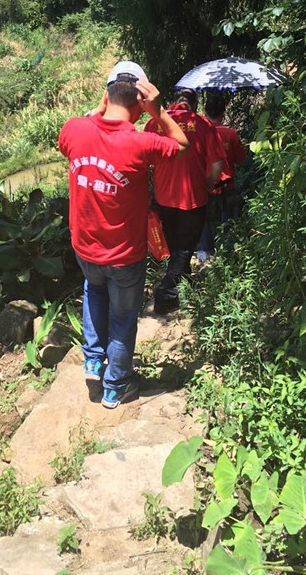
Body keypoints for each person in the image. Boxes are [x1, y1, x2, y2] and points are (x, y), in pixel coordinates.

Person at [58, 61, 189, 409]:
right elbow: (181, 144)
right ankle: (115, 386)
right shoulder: (141, 143)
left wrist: (100, 108)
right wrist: (159, 111)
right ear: (141, 103)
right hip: (125, 256)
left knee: (94, 290)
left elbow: (81, 130)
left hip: (85, 249)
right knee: (123, 318)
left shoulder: (73, 129)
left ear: (106, 95)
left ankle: (92, 359)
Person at [145, 88, 224, 313]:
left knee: (176, 245)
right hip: (193, 197)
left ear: (172, 101)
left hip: (163, 197)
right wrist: (209, 184)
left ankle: (184, 283)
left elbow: (144, 161)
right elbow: (217, 165)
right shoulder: (203, 124)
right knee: (185, 248)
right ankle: (165, 292)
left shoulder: (154, 123)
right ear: (194, 105)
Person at [198, 91, 246, 258]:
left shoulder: (200, 134)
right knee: (227, 217)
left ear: (205, 112)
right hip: (227, 184)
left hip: (206, 184)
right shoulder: (230, 133)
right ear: (223, 112)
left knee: (204, 218)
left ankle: (207, 251)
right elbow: (240, 158)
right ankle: (227, 251)